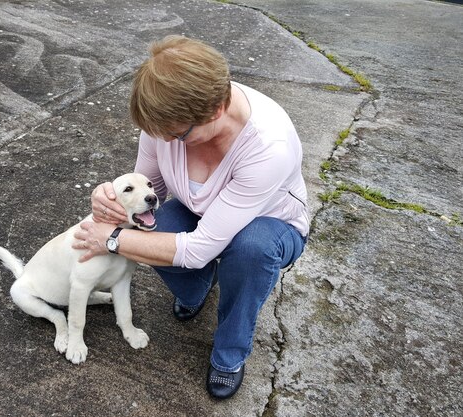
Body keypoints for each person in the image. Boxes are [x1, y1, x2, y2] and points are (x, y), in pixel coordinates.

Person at [72, 35, 309, 400]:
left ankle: (229, 354)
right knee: (154, 228)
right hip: (199, 209)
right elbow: (150, 192)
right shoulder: (168, 119)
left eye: (176, 135)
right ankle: (197, 288)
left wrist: (112, 239)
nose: (164, 140)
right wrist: (110, 204)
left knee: (251, 250)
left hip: (269, 223)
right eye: (158, 133)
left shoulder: (268, 147)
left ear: (216, 111)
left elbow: (196, 249)